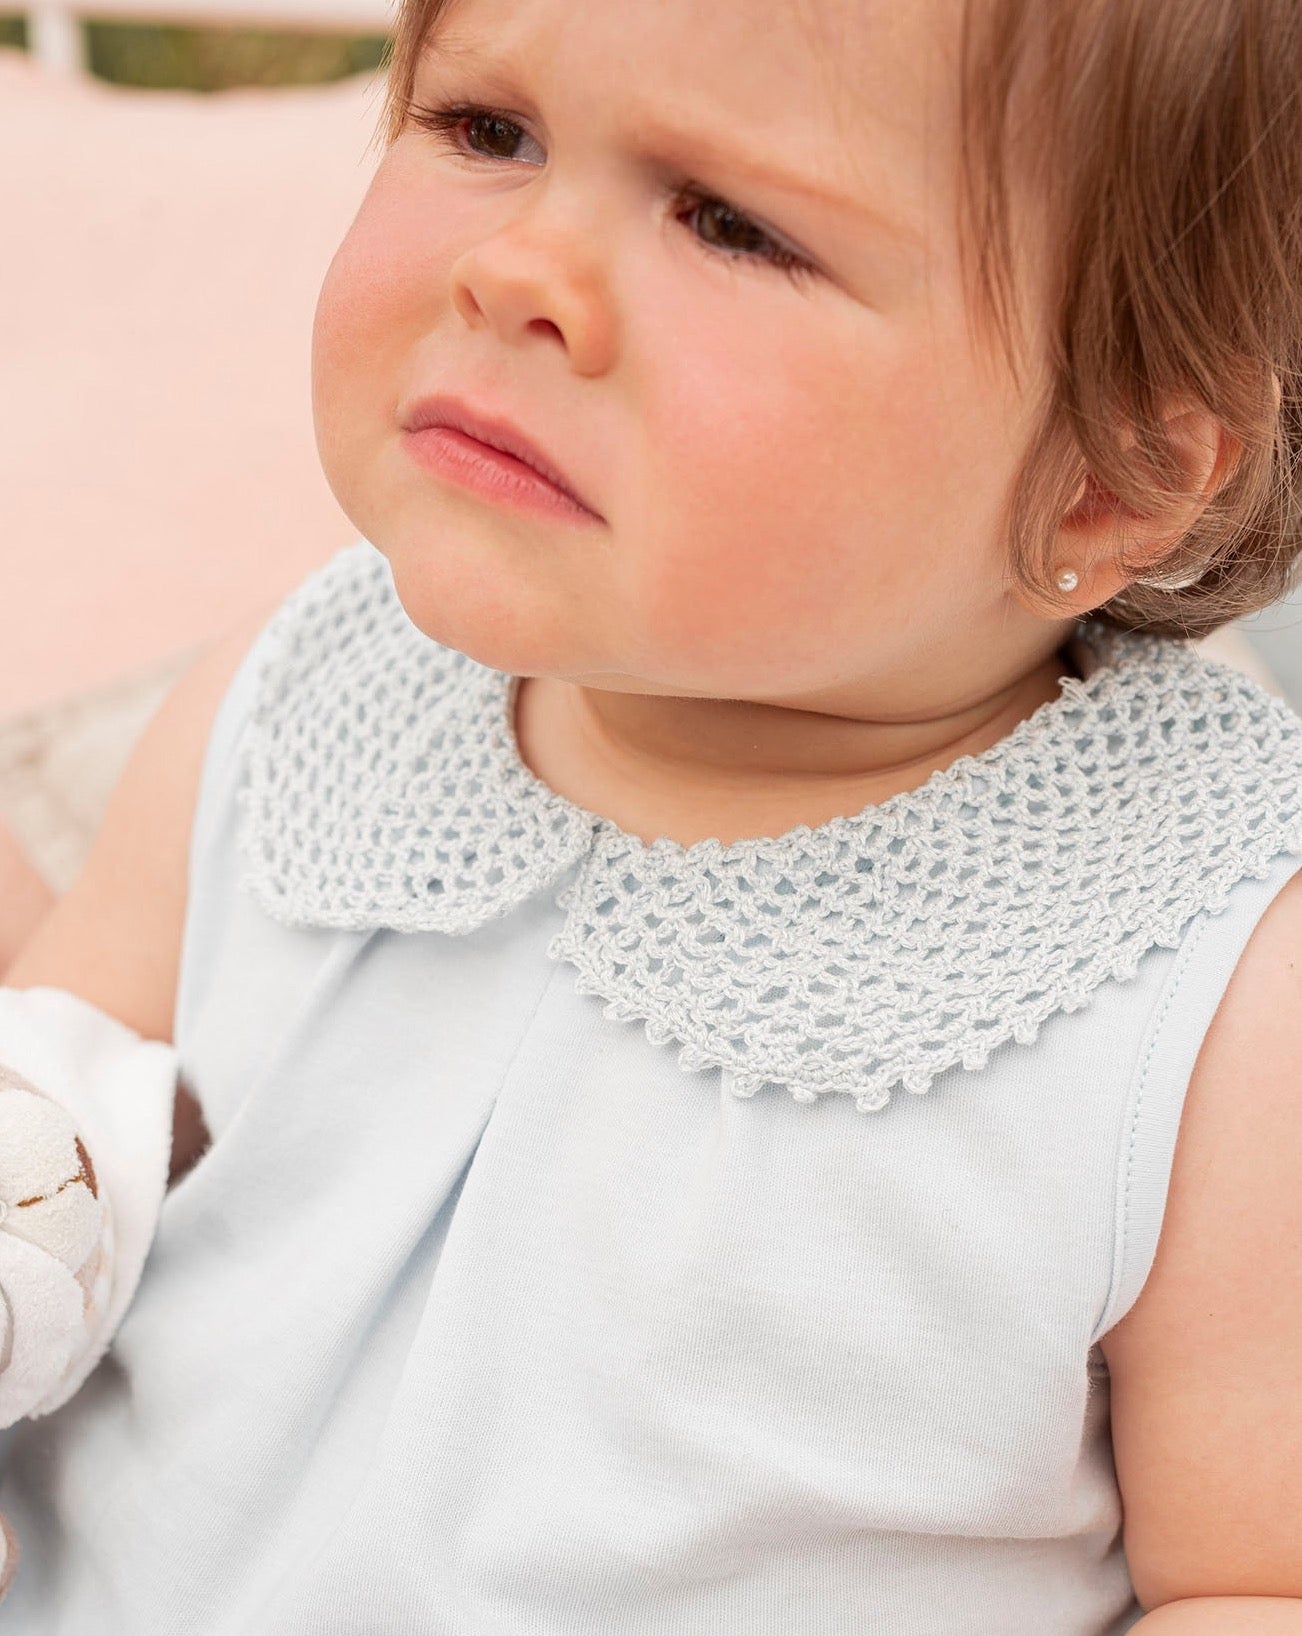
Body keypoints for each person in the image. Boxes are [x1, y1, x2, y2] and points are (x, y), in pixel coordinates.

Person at [1, 0, 1301, 1628]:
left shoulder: (1210, 982)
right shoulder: (301, 696)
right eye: (486, 130)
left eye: (731, 224)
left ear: (1099, 482)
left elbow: (1252, 1579)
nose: (518, 271)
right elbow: (65, 1114)